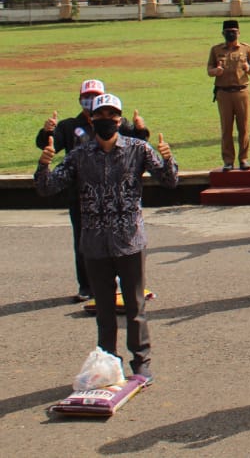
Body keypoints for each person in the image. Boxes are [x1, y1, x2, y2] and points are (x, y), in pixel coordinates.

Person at [35, 93, 177, 386]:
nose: (106, 121)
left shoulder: (138, 149)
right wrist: (43, 164)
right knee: (104, 311)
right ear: (92, 119)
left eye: (112, 117)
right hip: (95, 243)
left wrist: (168, 157)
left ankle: (142, 363)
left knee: (135, 308)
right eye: (100, 116)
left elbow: (169, 180)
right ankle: (109, 361)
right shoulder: (80, 155)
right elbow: (48, 187)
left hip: (129, 241)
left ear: (119, 120)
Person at [35, 79, 150, 301]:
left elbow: (137, 146)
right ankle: (86, 286)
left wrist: (140, 128)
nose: (90, 102)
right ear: (80, 100)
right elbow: (48, 145)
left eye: (95, 96)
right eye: (86, 97)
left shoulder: (117, 122)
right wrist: (46, 132)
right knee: (83, 240)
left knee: (121, 240)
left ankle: (120, 285)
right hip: (81, 195)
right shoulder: (69, 126)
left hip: (115, 195)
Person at [207, 19, 250, 172]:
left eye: (234, 32)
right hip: (224, 93)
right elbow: (209, 70)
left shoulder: (246, 49)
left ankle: (243, 159)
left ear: (239, 33)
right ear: (223, 33)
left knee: (244, 127)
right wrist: (217, 71)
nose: (231, 34)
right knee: (226, 128)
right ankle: (228, 161)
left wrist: (248, 67)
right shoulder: (216, 50)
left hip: (242, 92)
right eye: (228, 32)